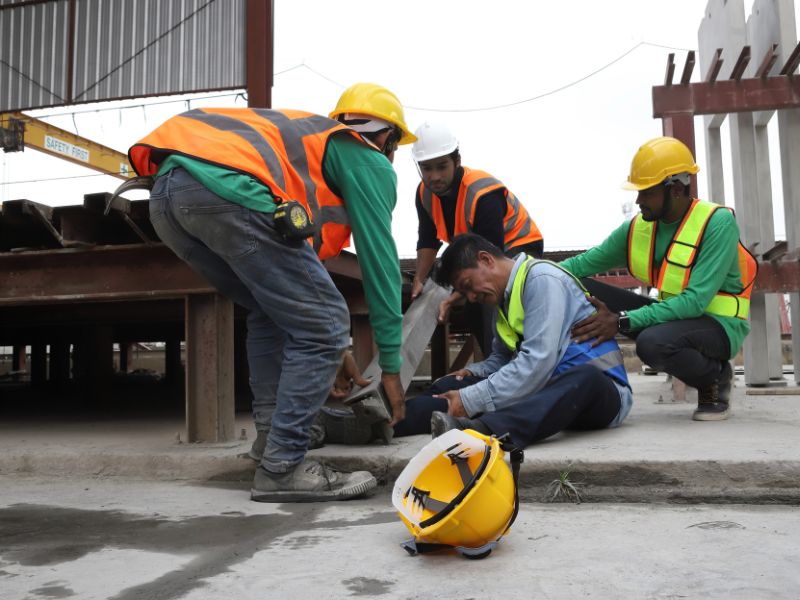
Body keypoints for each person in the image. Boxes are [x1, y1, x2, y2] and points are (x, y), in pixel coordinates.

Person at [128, 82, 415, 502]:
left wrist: (337, 352)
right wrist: (390, 366)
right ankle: (283, 467)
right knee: (327, 322)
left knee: (269, 312)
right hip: (225, 189)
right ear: (387, 138)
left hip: (168, 196)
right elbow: (381, 262)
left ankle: (271, 447)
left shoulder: (309, 150)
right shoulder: (366, 157)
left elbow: (298, 298)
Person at [560, 136, 757, 422]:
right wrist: (526, 274)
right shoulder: (639, 228)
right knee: (579, 285)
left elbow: (695, 302)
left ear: (675, 189)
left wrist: (621, 321)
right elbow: (580, 265)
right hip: (675, 318)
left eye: (646, 192)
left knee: (652, 344)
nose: (638, 200)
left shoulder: (717, 223)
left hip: (718, 326)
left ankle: (714, 377)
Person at [394, 233, 633, 448]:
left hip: (600, 393)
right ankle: (389, 421)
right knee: (450, 387)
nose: (471, 297)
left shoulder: (543, 279)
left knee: (585, 377)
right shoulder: (502, 301)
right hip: (543, 388)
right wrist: (471, 373)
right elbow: (502, 359)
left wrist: (471, 400)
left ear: (486, 260)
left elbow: (538, 362)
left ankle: (484, 429)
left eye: (468, 286)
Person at [409, 121, 545, 353]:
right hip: (476, 253)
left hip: (517, 248)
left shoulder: (482, 192)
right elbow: (428, 240)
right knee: (473, 304)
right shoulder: (424, 194)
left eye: (441, 167)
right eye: (427, 168)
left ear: (457, 161)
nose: (434, 176)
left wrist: (455, 297)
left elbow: (490, 258)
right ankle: (495, 364)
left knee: (486, 298)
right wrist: (419, 279)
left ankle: (509, 365)